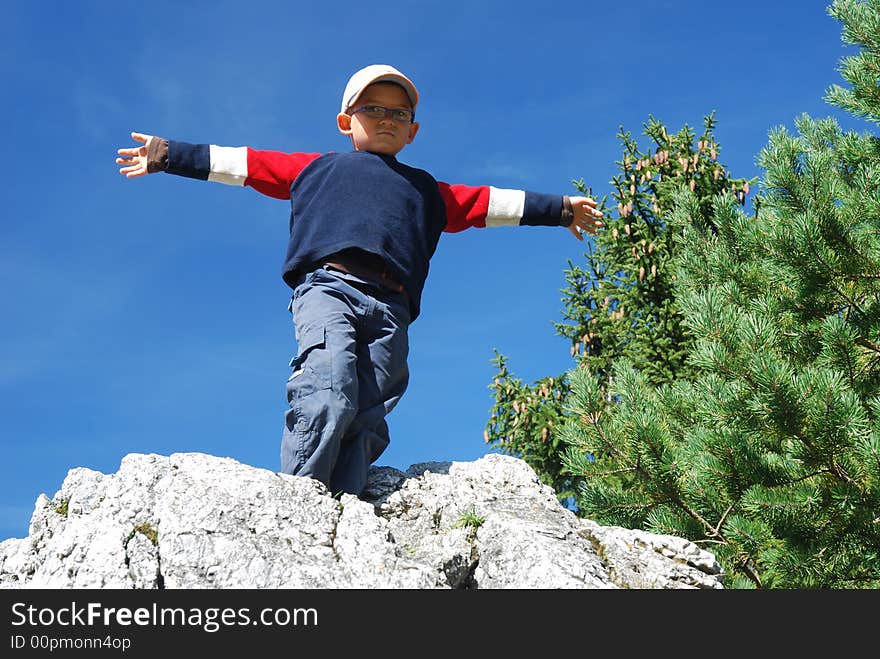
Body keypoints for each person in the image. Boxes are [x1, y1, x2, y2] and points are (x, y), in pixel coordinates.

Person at [115, 64, 604, 496]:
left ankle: (345, 504)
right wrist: (167, 153)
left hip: (393, 311)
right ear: (346, 122)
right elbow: (245, 163)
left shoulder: (427, 191)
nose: (387, 120)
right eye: (374, 109)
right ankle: (301, 499)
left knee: (369, 412)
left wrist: (560, 210)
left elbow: (489, 203)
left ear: (413, 131)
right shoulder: (319, 168)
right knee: (328, 391)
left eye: (399, 114)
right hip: (329, 288)